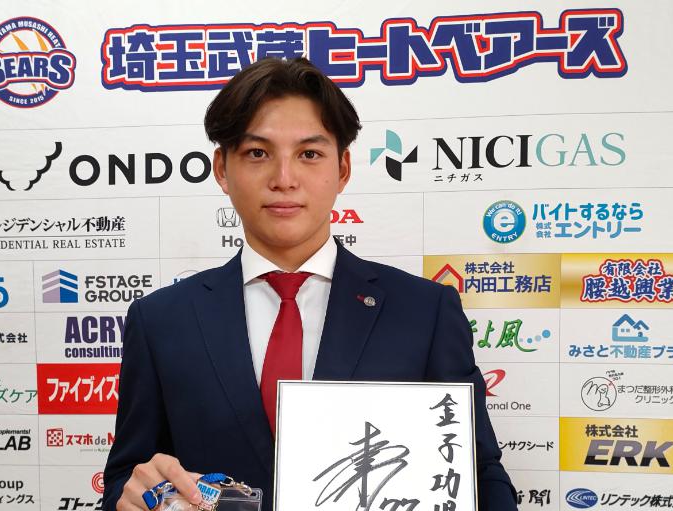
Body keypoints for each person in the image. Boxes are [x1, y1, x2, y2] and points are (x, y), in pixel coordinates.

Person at [102, 57, 517, 511]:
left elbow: (477, 471)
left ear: (343, 169)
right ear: (222, 169)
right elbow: (126, 478)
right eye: (257, 153)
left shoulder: (424, 311)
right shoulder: (161, 320)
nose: (284, 180)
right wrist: (134, 495)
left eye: (309, 154)